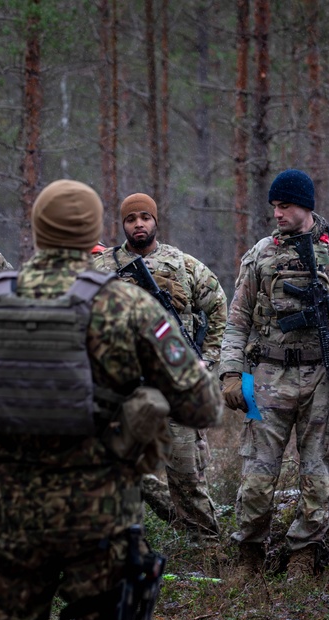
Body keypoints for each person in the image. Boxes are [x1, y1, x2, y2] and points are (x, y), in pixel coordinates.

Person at [0, 180, 221, 620]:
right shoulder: (129, 305)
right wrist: (143, 401)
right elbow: (203, 405)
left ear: (37, 231)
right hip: (102, 513)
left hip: (13, 511)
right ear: (93, 230)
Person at [219, 168, 329, 578]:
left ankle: (303, 555)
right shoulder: (260, 254)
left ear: (305, 205)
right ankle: (249, 553)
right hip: (266, 374)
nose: (277, 213)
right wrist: (232, 373)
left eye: (284, 205)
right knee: (256, 473)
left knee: (317, 474)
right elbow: (236, 321)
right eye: (274, 206)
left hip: (323, 377)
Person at [92, 192, 227, 571]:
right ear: (122, 224)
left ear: (155, 221)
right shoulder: (103, 267)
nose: (139, 224)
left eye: (145, 217)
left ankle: (208, 557)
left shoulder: (182, 264)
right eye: (131, 218)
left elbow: (218, 306)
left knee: (185, 473)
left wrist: (207, 359)